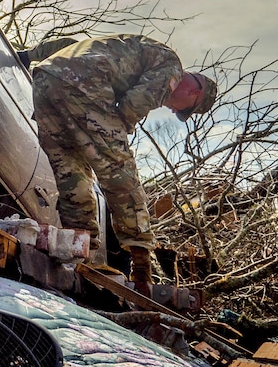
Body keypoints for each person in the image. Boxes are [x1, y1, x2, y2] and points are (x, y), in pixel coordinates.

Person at [29, 34, 217, 295]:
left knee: (72, 176)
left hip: (45, 80)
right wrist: (117, 133)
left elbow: (64, 44)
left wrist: (26, 56)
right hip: (83, 84)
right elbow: (132, 105)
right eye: (185, 109)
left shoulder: (128, 46)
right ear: (194, 92)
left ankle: (79, 255)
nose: (175, 111)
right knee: (121, 176)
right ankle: (141, 268)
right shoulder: (171, 68)